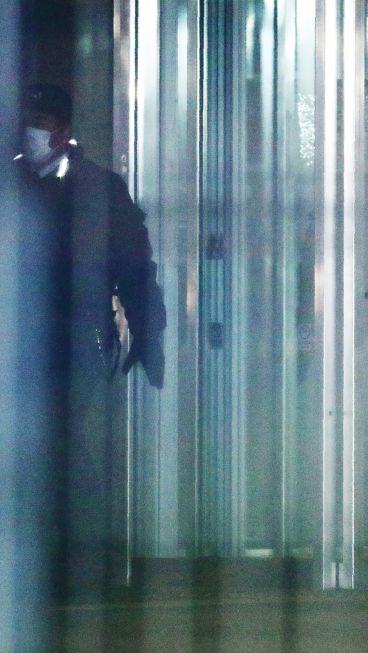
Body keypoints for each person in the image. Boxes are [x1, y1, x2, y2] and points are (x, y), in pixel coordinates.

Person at [15, 83, 166, 600]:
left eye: (42, 120)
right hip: (21, 342)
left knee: (61, 447)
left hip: (77, 338)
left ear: (64, 130)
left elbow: (132, 266)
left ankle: (75, 561)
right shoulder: (15, 182)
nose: (32, 132)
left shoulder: (98, 187)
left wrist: (146, 333)